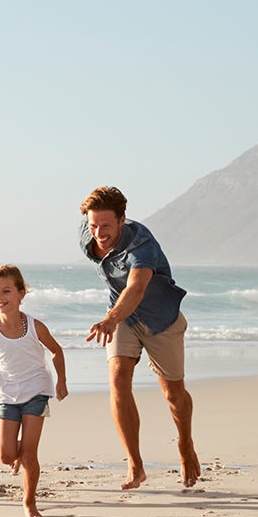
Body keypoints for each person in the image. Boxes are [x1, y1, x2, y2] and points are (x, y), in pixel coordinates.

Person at [78, 185, 201, 490]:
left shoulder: (142, 245)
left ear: (122, 220)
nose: (99, 232)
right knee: (118, 380)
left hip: (161, 319)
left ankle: (185, 445)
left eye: (106, 225)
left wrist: (109, 318)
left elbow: (135, 288)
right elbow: (121, 292)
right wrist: (114, 317)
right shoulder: (87, 235)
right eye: (93, 225)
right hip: (123, 317)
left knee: (174, 395)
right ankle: (135, 464)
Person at [0, 265, 68, 517]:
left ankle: (29, 503)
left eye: (6, 291)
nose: (0, 298)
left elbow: (56, 351)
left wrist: (61, 382)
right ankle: (18, 455)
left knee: (29, 454)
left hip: (36, 391)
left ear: (21, 293)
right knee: (6, 454)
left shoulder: (34, 326)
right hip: (6, 394)